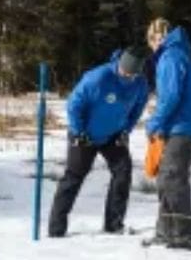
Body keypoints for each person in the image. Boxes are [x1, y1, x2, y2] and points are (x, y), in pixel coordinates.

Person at [48, 48, 150, 238]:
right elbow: (74, 105)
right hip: (85, 134)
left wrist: (125, 130)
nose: (128, 76)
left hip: (113, 135)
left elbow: (137, 109)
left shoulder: (140, 84)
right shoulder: (98, 78)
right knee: (74, 177)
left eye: (132, 74)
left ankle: (114, 224)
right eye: (125, 72)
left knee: (123, 171)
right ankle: (56, 229)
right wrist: (79, 132)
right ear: (119, 65)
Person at [144, 19, 191, 250]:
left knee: (172, 178)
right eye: (153, 38)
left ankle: (185, 236)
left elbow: (170, 97)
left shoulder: (170, 57)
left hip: (183, 127)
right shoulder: (182, 54)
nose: (156, 42)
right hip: (181, 126)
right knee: (165, 178)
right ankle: (165, 232)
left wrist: (154, 123)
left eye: (158, 37)